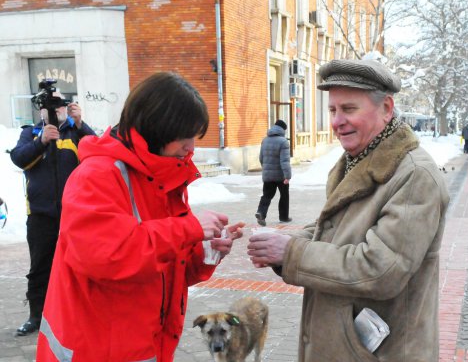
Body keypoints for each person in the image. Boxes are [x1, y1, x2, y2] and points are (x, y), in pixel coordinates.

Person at [247, 59, 450, 361]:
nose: (336, 121)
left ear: (386, 108)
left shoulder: (414, 175)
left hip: (382, 352)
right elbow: (332, 229)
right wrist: (280, 243)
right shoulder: (357, 160)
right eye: (332, 110)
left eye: (349, 109)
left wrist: (291, 252)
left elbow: (380, 269)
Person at [36, 72, 244, 361]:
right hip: (96, 349)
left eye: (194, 136)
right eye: (184, 137)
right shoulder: (97, 176)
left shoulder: (163, 177)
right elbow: (109, 256)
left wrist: (204, 251)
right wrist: (189, 228)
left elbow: (163, 267)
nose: (191, 148)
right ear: (155, 129)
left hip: (145, 346)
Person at [10, 92, 96, 336]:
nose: (55, 108)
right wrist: (41, 141)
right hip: (40, 215)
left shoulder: (76, 133)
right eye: (50, 104)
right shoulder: (30, 133)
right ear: (40, 110)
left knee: (81, 265)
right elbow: (19, 159)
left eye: (60, 104)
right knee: (40, 268)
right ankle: (36, 316)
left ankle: (82, 313)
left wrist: (81, 124)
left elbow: (100, 153)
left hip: (76, 215)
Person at [255, 119, 292, 226]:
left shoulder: (265, 140)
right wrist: (287, 176)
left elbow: (261, 158)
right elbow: (284, 161)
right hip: (280, 176)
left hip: (267, 175)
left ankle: (261, 212)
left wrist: (266, 169)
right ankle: (284, 217)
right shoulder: (283, 142)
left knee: (266, 195)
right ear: (283, 130)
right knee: (284, 195)